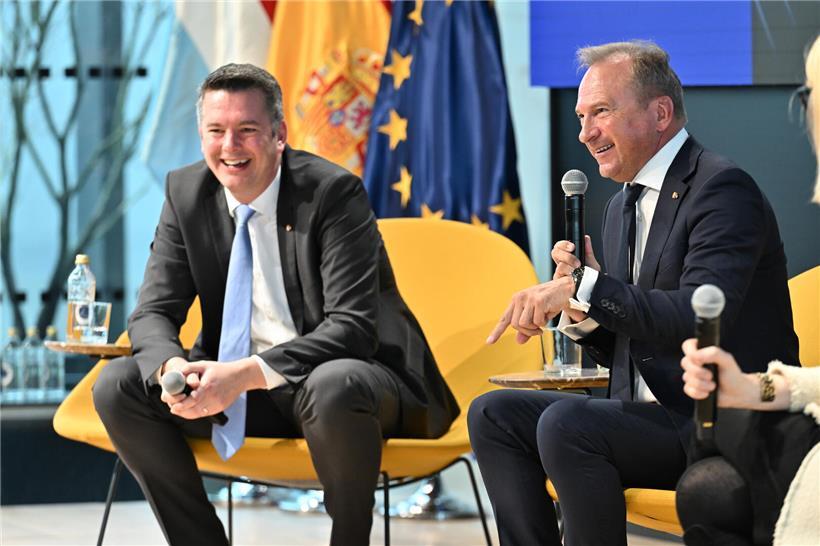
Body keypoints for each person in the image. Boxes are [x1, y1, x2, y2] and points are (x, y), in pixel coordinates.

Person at [92, 64, 459, 546]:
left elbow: (352, 328)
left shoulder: (332, 192)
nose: (230, 147)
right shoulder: (185, 193)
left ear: (279, 134)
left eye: (247, 130)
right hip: (240, 391)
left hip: (352, 387)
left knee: (334, 383)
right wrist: (172, 369)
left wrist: (241, 374)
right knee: (118, 385)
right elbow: (153, 311)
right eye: (216, 131)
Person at [467, 40, 799, 546]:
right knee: (494, 414)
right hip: (647, 416)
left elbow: (699, 316)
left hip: (714, 419)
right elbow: (635, 339)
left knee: (566, 423)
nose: (585, 133)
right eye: (580, 116)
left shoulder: (722, 189)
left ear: (659, 112)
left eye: (600, 111)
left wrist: (584, 286)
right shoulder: (620, 205)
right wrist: (583, 311)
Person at [676, 36, 820, 546]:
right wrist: (752, 388)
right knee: (708, 488)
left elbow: (682, 307)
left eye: (808, 96)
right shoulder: (614, 210)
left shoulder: (721, 187)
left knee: (718, 477)